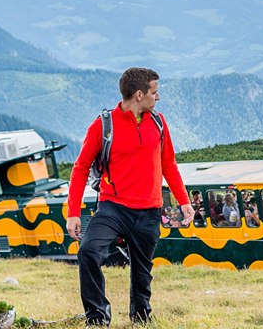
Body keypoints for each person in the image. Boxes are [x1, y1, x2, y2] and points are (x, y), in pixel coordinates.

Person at [66, 67, 191, 326]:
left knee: (142, 272)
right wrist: (73, 213)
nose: (157, 97)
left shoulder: (158, 122)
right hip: (113, 208)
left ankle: (141, 317)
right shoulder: (103, 126)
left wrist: (184, 201)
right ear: (138, 94)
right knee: (88, 251)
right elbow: (79, 169)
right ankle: (97, 318)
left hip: (149, 210)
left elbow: (169, 164)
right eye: (154, 92)